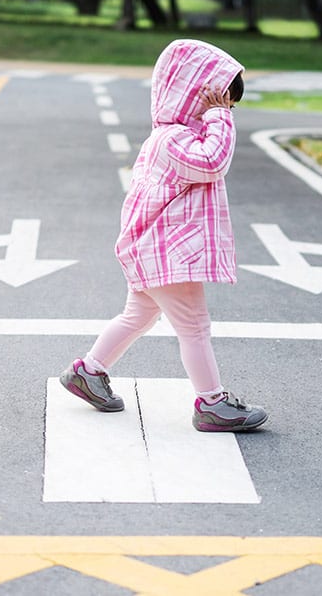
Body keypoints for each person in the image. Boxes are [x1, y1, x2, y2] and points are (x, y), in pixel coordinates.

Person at [59, 39, 267, 432]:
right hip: (167, 251)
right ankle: (212, 403)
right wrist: (221, 119)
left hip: (157, 248)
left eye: (230, 106)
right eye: (222, 100)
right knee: (194, 325)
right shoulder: (173, 140)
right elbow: (213, 163)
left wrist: (216, 117)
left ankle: (88, 372)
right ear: (194, 94)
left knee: (138, 315)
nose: (227, 111)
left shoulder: (177, 136)